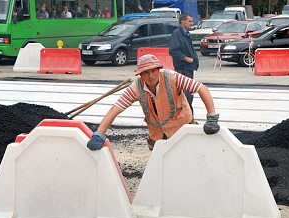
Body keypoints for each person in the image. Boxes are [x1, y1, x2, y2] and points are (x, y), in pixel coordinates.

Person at [87, 54, 220, 151]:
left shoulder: (172, 77)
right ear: (140, 74)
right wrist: (99, 134)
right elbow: (115, 110)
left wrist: (212, 116)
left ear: (158, 70)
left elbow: (202, 89)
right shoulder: (135, 88)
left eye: (153, 71)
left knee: (189, 159)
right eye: (146, 73)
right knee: (163, 167)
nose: (150, 76)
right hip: (158, 134)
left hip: (182, 127)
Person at [169, 13, 199, 116]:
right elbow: (172, 51)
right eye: (189, 21)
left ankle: (188, 116)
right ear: (183, 22)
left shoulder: (186, 34)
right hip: (183, 68)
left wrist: (194, 61)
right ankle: (186, 116)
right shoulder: (177, 33)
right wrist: (186, 59)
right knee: (186, 94)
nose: (192, 23)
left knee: (189, 93)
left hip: (189, 68)